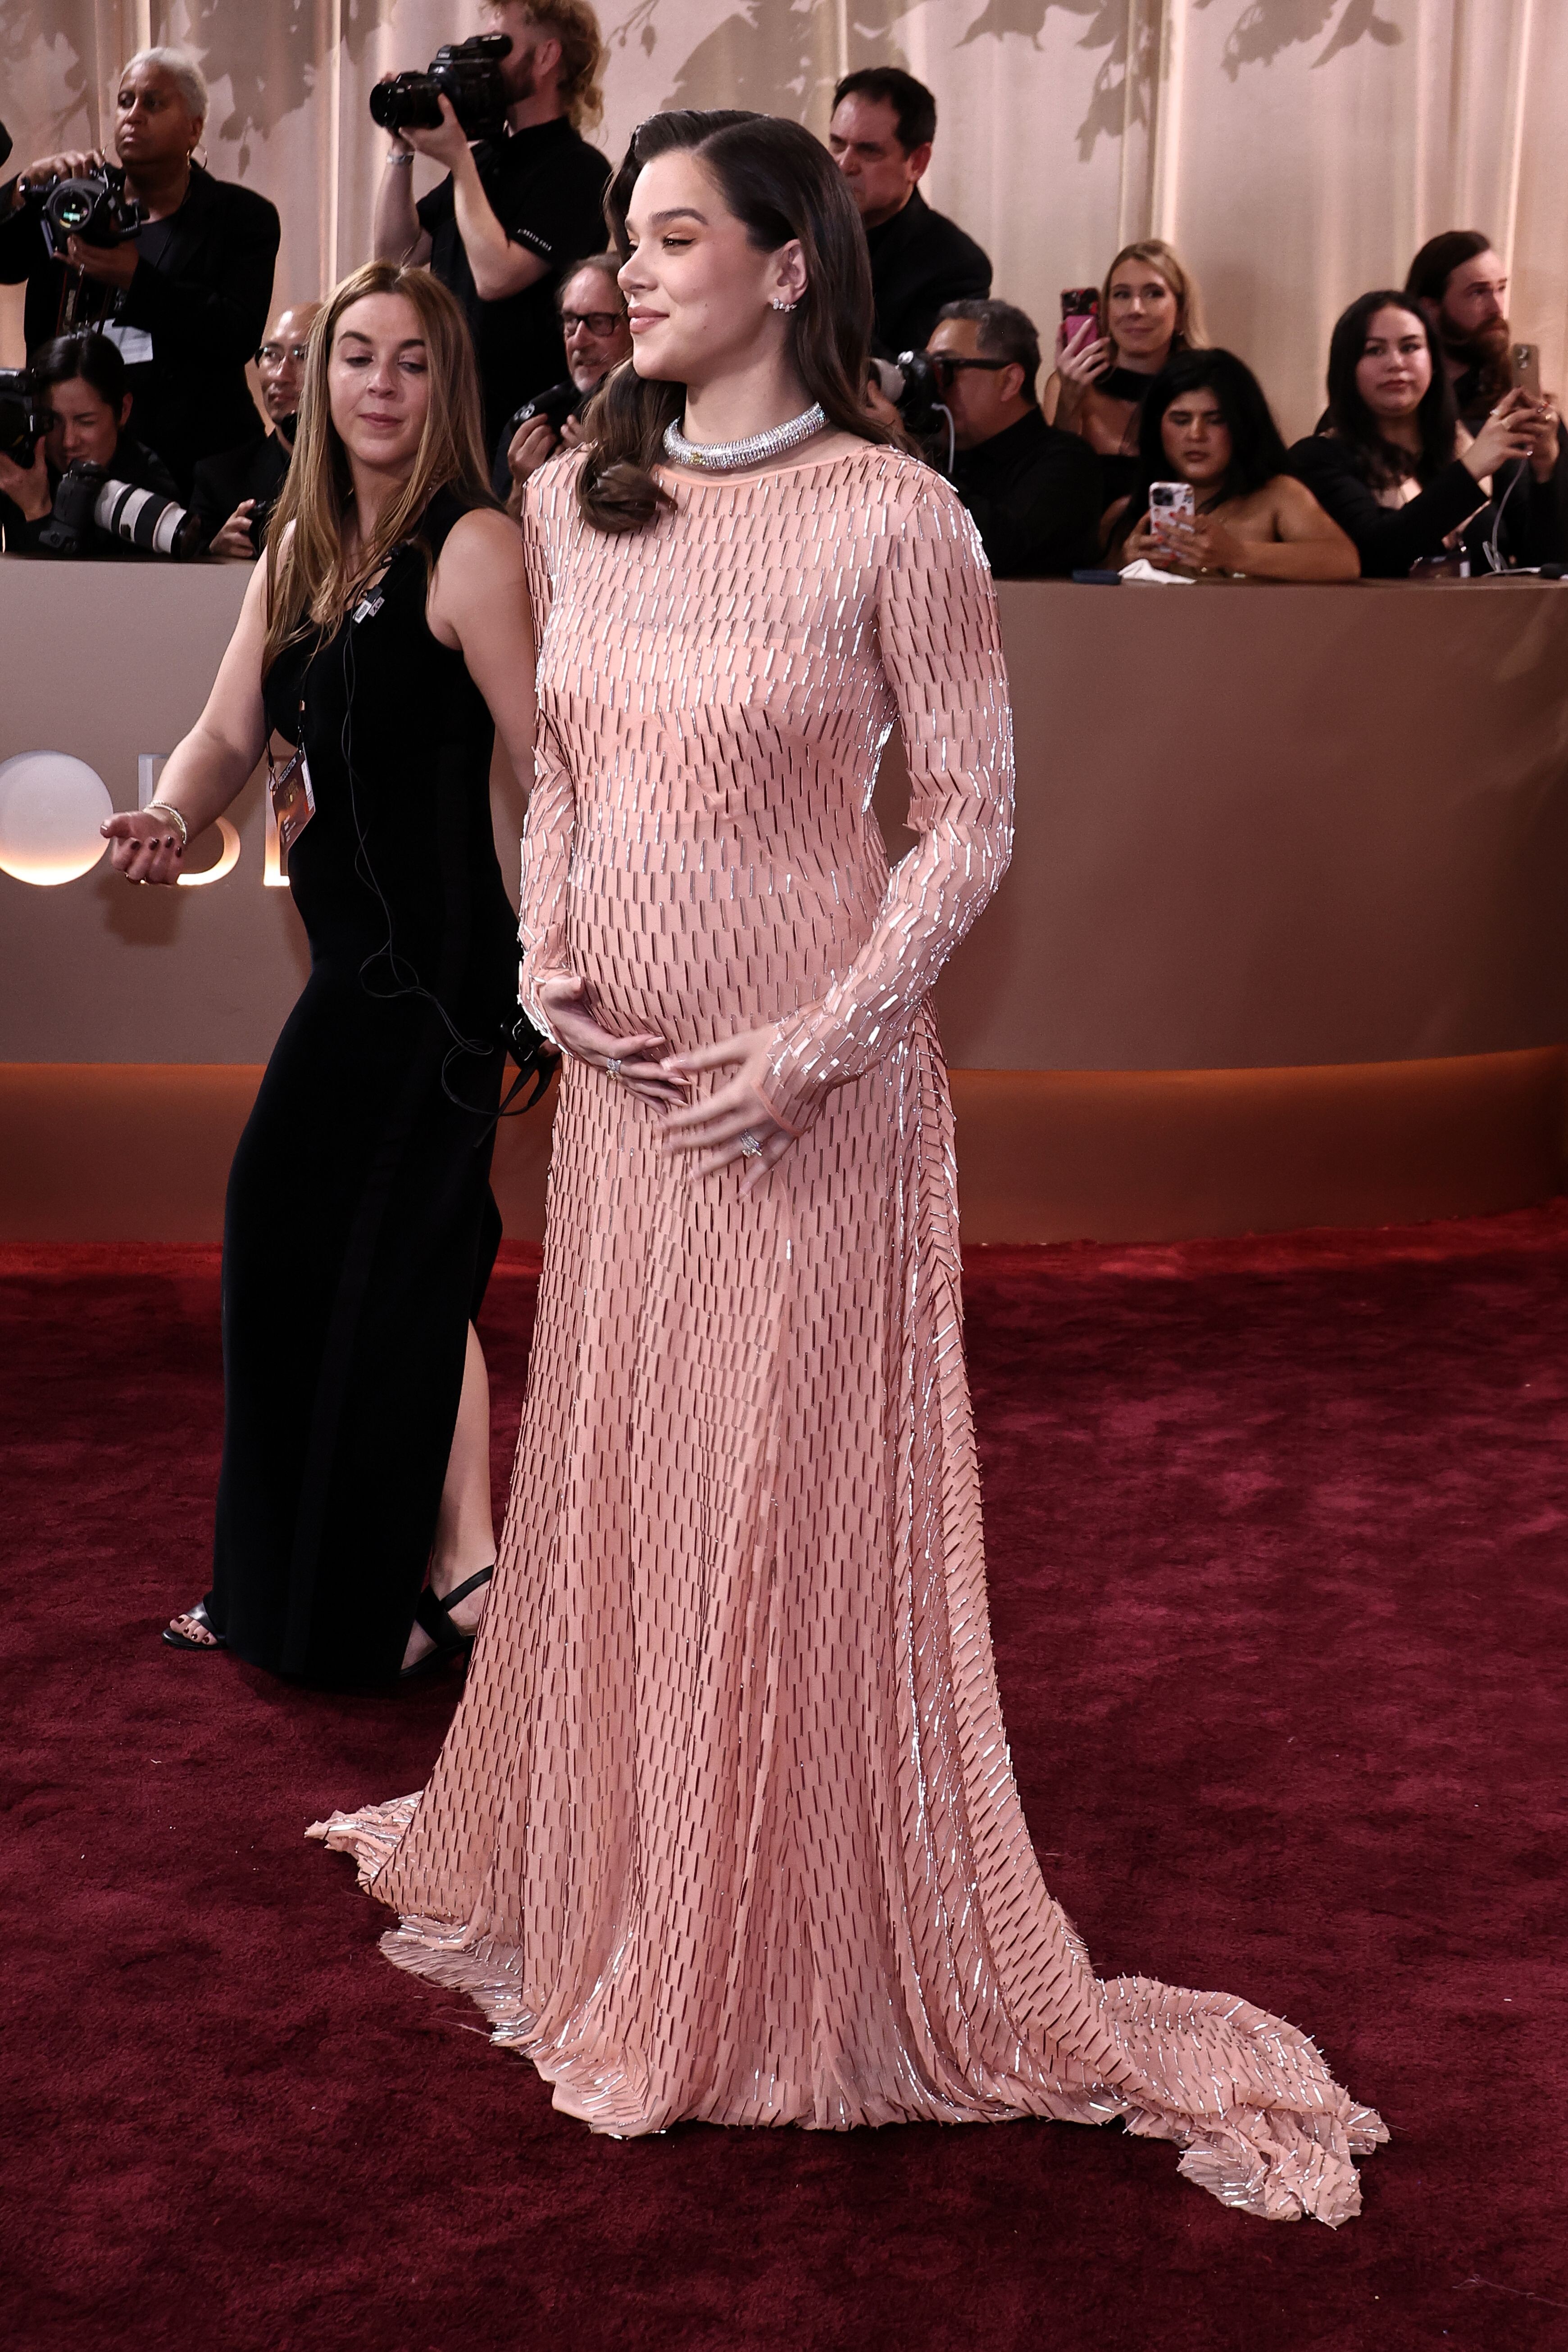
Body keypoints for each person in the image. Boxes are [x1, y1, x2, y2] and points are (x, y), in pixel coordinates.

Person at [310, 108, 1384, 2223]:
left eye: (673, 238)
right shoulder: (569, 498)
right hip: (630, 1100)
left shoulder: (898, 515)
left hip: (813, 1105)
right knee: (634, 1481)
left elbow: (968, 823)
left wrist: (816, 1046)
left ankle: (771, 1939)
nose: (630, 275)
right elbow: (566, 774)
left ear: (789, 265)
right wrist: (545, 952)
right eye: (624, 241)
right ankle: (629, 1878)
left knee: (779, 1508)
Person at [100, 261, 537, 1685]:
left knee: (328, 1247)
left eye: (411, 360)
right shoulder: (302, 542)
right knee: (402, 1259)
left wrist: (563, 959)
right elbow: (230, 734)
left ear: (447, 382)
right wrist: (174, 813)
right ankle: (446, 1575)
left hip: (437, 980)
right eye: (357, 355)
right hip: (357, 962)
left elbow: (553, 770)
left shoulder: (472, 545)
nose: (379, 385)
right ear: (313, 375)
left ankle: (347, 1596)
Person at [0, 48, 279, 494]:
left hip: (192, 461)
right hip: (66, 451)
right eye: (125, 101)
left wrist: (137, 280)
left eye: (153, 103)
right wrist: (22, 190)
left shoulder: (241, 217)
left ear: (194, 128)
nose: (133, 115)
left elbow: (235, 333)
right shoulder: (74, 199)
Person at [373, 0, 611, 449]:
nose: (480, 60)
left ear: (546, 56)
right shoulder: (483, 159)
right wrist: (401, 150)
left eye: (496, 46)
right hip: (448, 412)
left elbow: (497, 277)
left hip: (522, 427)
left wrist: (458, 158)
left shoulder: (579, 170)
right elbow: (395, 255)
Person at [1286, 291, 1558, 578]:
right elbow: (1373, 555)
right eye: (1375, 351)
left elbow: (1548, 565)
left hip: (1498, 609)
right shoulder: (1318, 458)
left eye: (1410, 347)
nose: (1396, 363)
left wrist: (1546, 467)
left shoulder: (1477, 442)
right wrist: (1471, 470)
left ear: (1434, 362)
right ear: (1347, 368)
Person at [1107, 347, 1358, 582]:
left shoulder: (1279, 496)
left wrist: (1238, 554)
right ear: (1156, 429)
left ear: (1242, 425)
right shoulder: (1126, 514)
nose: (1196, 435)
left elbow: (1344, 560)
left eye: (1215, 420)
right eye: (1181, 420)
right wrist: (1126, 565)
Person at [927, 298, 1101, 577]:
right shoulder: (933, 453)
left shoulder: (1066, 462)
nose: (931, 384)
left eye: (944, 368)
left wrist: (907, 458)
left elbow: (998, 550)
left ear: (1009, 381)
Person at [827, 67, 990, 359]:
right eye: (837, 144)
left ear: (917, 162)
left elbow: (916, 377)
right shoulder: (796, 230)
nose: (844, 165)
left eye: (868, 151)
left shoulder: (956, 265)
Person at [1042, 240, 1205, 507]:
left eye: (1153, 294)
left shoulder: (1205, 390)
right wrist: (1070, 403)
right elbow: (1054, 492)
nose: (1135, 310)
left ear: (1180, 312)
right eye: (1121, 295)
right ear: (1105, 310)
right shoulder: (1067, 384)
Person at [0, 329, 180, 556]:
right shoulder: (22, 467)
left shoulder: (150, 482)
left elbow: (83, 580)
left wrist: (37, 510)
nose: (68, 441)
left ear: (124, 410)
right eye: (52, 422)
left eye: (86, 422)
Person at [491, 251, 630, 505]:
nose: (578, 341)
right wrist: (524, 487)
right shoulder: (537, 420)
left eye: (599, 322)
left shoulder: (666, 418)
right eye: (571, 322)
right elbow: (501, 529)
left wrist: (603, 469)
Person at [191, 300, 322, 559]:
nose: (280, 375)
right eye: (271, 355)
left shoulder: (371, 477)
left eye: (303, 355)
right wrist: (214, 554)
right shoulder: (220, 482)